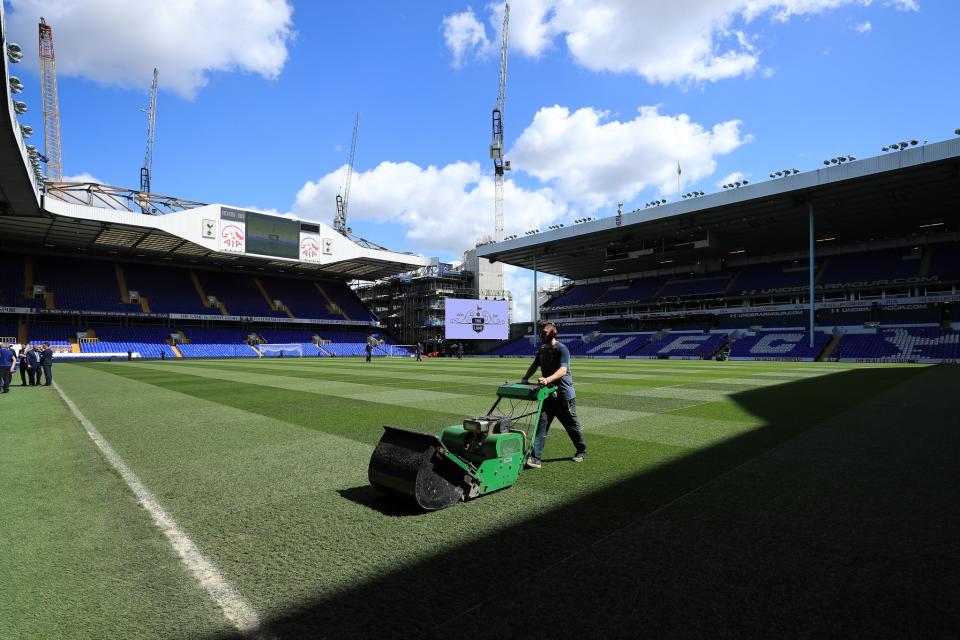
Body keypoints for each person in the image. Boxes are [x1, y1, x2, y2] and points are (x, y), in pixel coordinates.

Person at [522, 322, 587, 468]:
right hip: (549, 394)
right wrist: (525, 378)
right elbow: (534, 365)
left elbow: (563, 370)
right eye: (540, 332)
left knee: (571, 426)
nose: (541, 335)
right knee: (541, 425)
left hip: (564, 395)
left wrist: (547, 379)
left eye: (544, 332)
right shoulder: (543, 349)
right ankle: (535, 458)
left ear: (553, 332)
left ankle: (581, 451)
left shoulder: (562, 349)